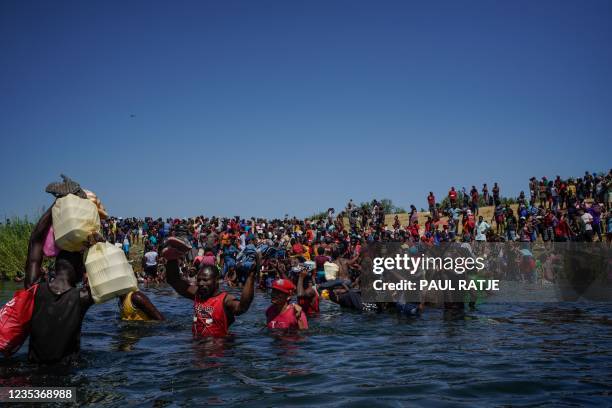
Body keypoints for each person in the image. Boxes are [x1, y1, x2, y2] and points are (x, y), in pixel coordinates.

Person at [24, 207, 95, 364]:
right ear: (78, 268)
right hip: (66, 376)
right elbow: (110, 278)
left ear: (56, 267)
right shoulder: (83, 298)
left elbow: (35, 240)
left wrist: (55, 205)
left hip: (33, 375)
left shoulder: (34, 288)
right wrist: (96, 246)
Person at [164, 239, 258, 337]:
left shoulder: (225, 300)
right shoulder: (198, 294)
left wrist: (251, 276)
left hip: (218, 348)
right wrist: (172, 258)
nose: (200, 283)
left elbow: (242, 307)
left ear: (216, 281)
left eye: (205, 280)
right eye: (199, 280)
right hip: (197, 347)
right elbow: (174, 281)